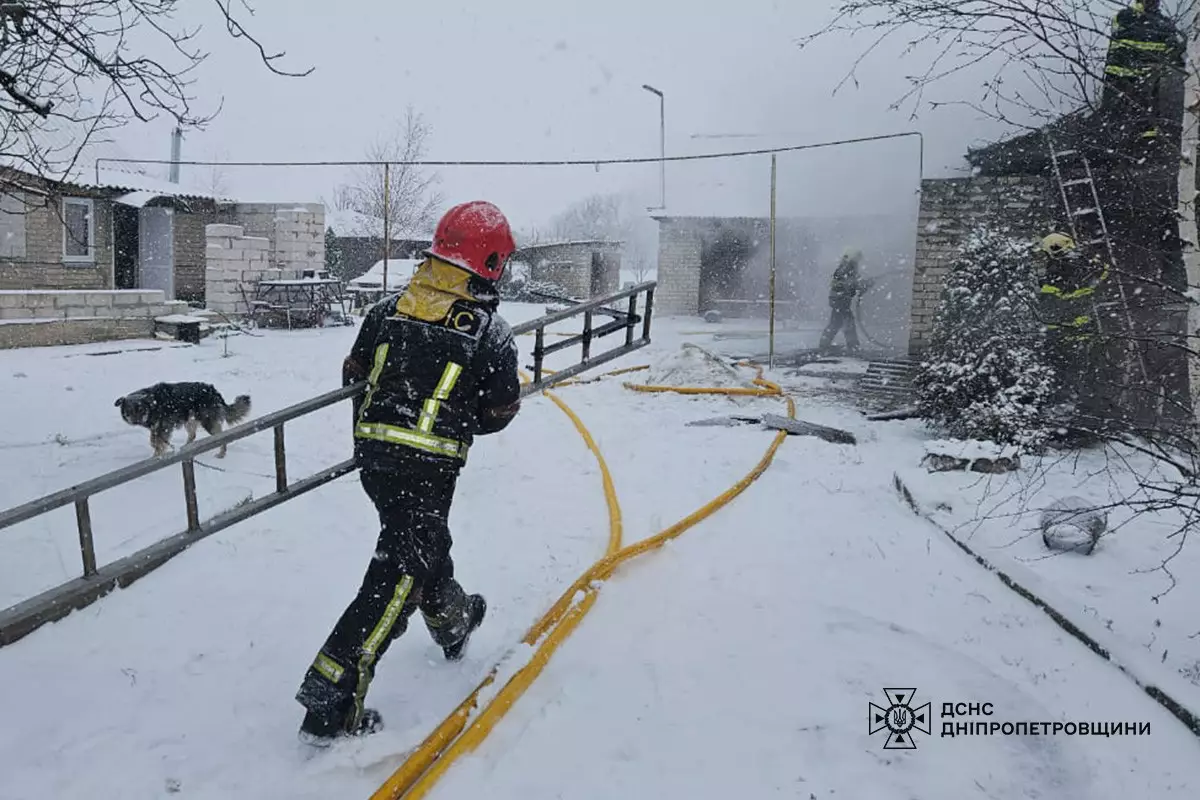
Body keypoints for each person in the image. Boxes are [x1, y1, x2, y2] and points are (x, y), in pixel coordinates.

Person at [294, 201, 523, 745]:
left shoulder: (386, 309)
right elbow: (499, 411)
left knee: (418, 544)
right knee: (396, 573)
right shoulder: (491, 333)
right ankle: (329, 700)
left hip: (376, 461)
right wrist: (453, 416)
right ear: (490, 263)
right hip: (431, 466)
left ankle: (452, 619)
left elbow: (354, 373)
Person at [1099, 0, 1186, 150]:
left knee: (1117, 114)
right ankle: (1140, 145)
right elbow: (1174, 53)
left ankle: (1124, 145)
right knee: (1139, 112)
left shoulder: (1124, 16)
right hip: (1138, 77)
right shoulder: (1161, 23)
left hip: (1124, 75)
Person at [818, 248, 872, 355]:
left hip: (838, 300)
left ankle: (824, 345)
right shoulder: (848, 268)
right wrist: (866, 284)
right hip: (841, 300)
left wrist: (864, 285)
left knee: (835, 323)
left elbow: (853, 284)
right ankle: (853, 347)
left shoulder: (844, 267)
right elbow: (853, 284)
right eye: (857, 259)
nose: (858, 262)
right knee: (848, 323)